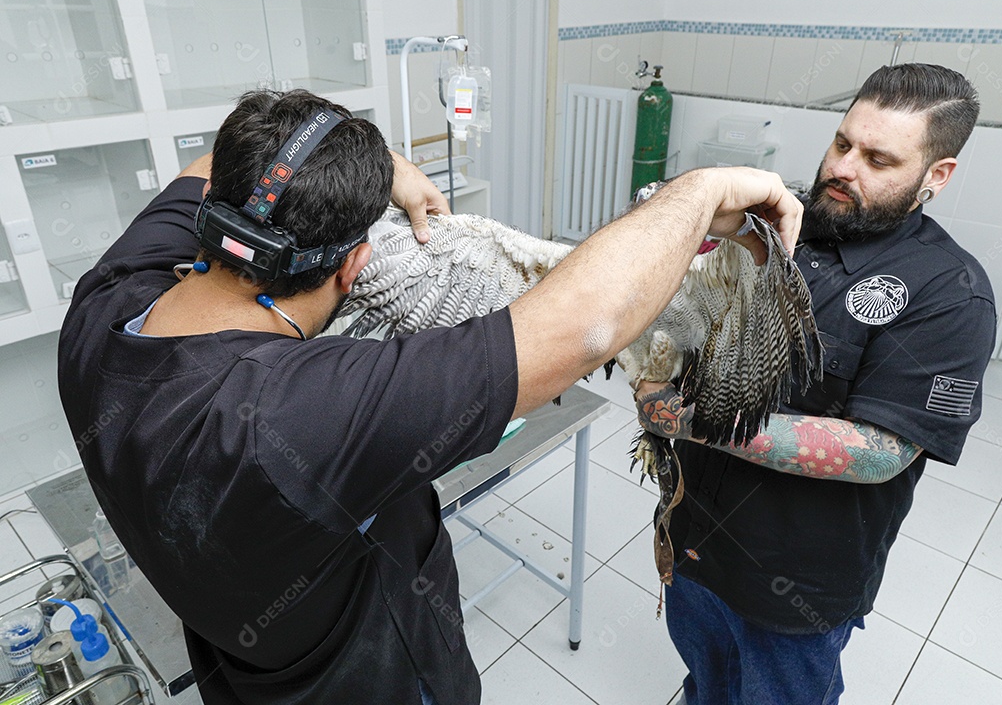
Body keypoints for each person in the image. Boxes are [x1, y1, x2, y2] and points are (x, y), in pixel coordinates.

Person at [57, 88, 802, 705]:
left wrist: (389, 167)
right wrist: (702, 189)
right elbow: (586, 324)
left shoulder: (105, 308)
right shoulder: (303, 414)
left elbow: (212, 160)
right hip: (380, 683)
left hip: (247, 674)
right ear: (355, 267)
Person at [634, 63, 997, 705]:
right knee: (707, 682)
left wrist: (693, 420)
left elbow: (880, 450)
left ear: (935, 176)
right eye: (842, 143)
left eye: (879, 159)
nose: (844, 169)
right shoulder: (777, 223)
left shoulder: (949, 294)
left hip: (791, 587)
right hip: (693, 540)